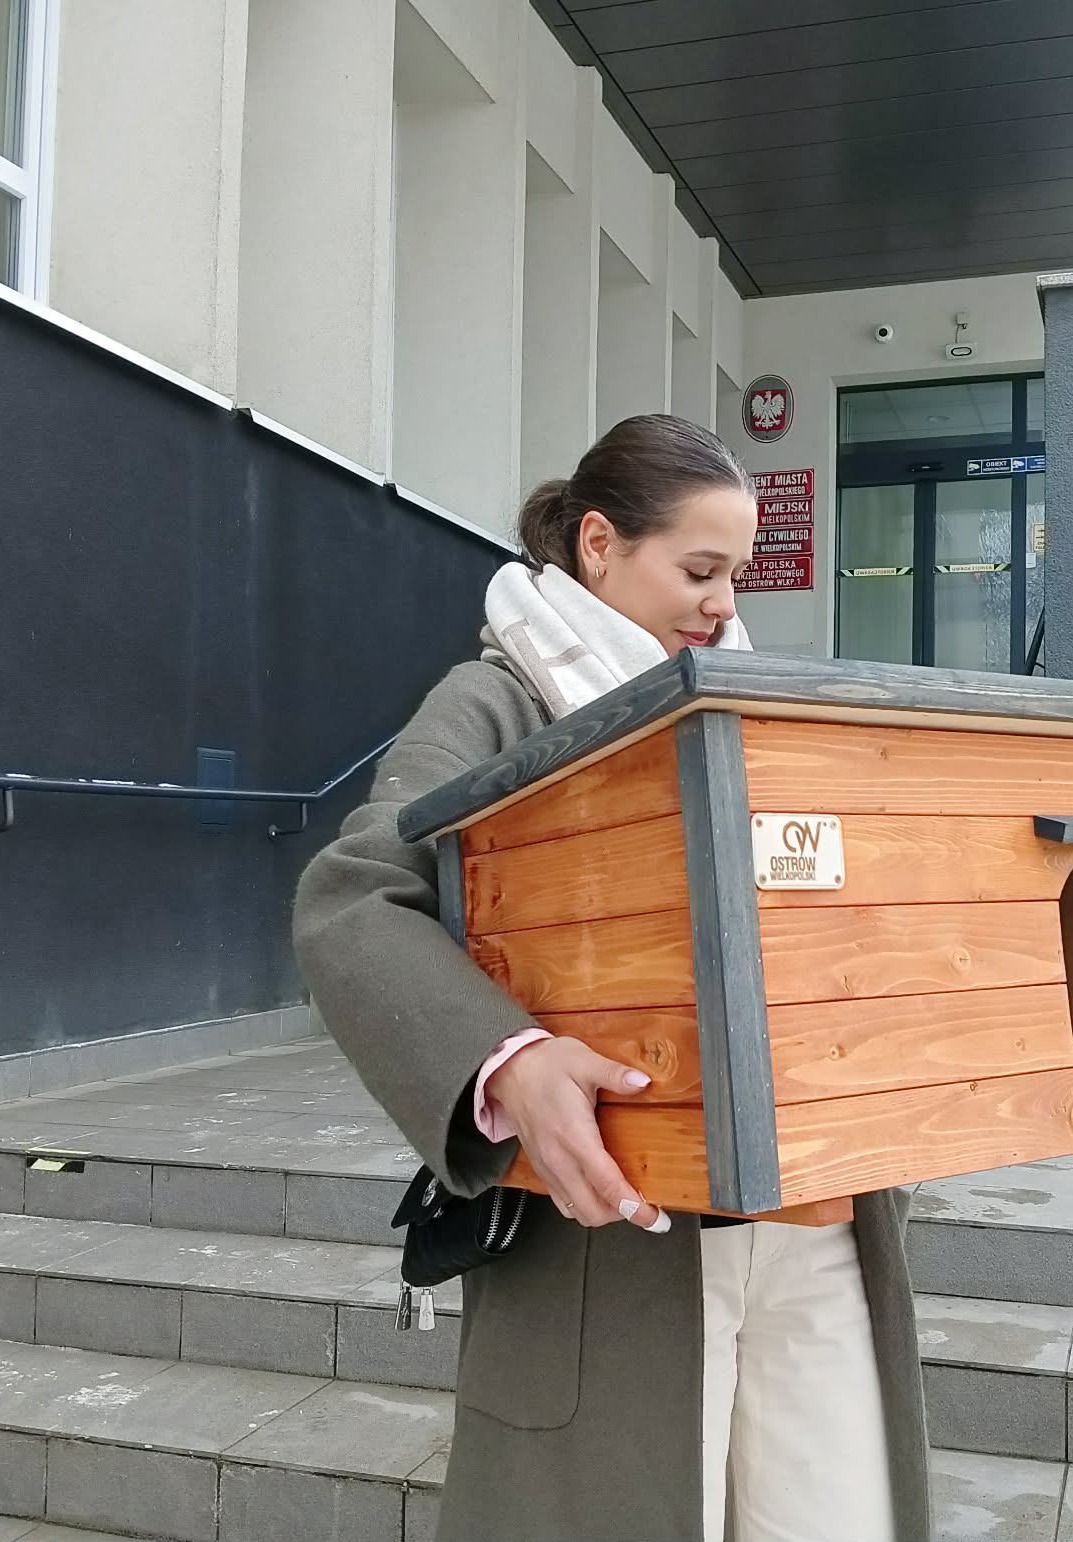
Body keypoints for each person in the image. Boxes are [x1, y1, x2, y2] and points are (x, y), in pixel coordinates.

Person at [292, 414, 929, 1542]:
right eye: (697, 569)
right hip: (617, 1239)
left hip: (815, 1212)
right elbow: (352, 897)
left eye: (734, 573)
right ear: (597, 543)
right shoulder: (495, 703)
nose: (724, 603)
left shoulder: (754, 706)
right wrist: (510, 1061)